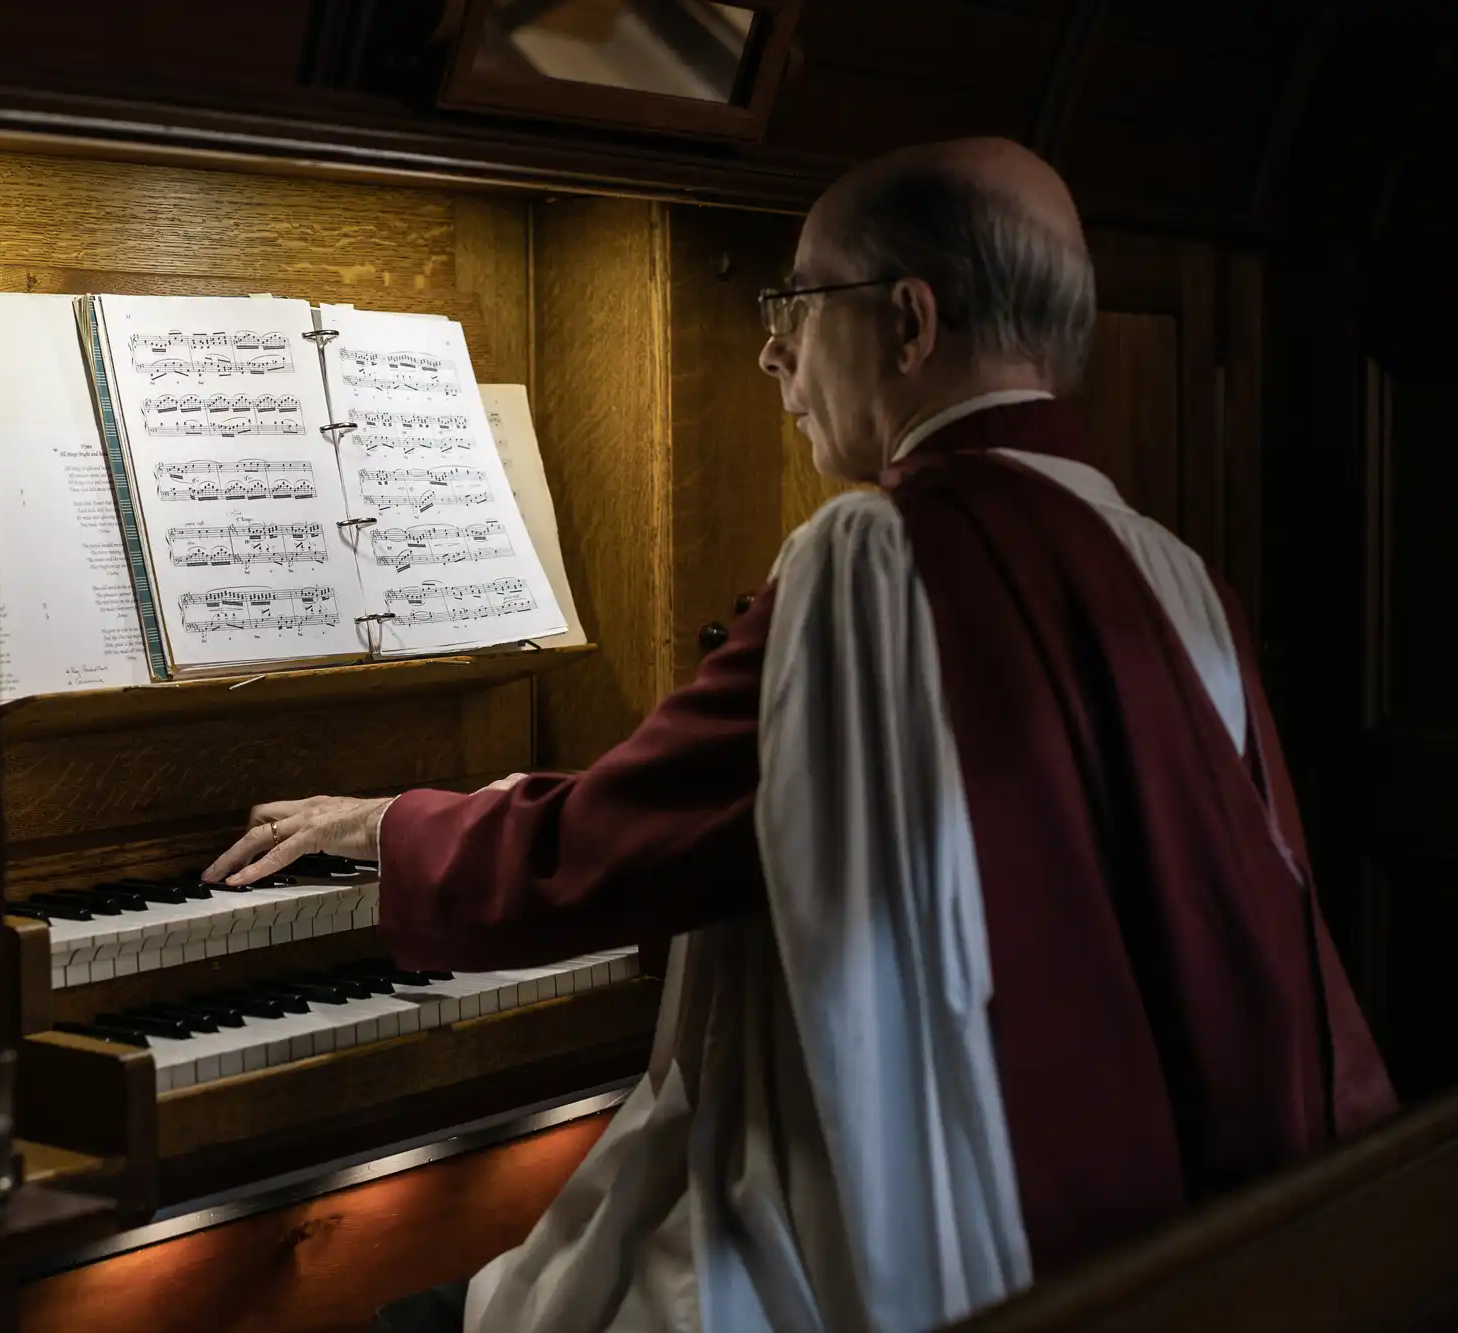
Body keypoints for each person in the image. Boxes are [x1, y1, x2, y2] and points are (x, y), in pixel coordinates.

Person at [203, 136, 1397, 1333]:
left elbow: (622, 841)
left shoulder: (870, 558)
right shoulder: (1169, 568)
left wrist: (389, 824)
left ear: (909, 324)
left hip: (910, 1245)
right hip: (1134, 1230)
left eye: (796, 302)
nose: (772, 350)